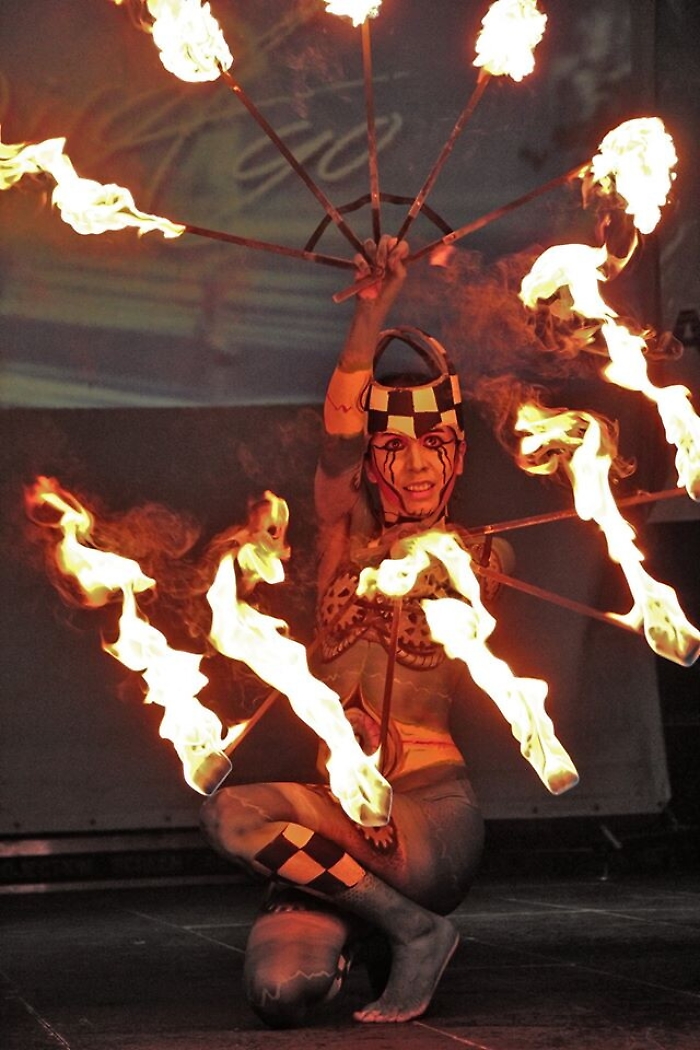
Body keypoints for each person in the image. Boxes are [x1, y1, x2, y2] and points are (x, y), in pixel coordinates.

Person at [199, 235, 507, 1026]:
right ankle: (385, 925)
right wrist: (373, 309)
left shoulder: (479, 554)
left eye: (434, 447)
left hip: (426, 821)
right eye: (392, 448)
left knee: (237, 817)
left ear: (458, 456)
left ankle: (415, 929)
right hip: (339, 830)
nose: (416, 467)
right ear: (371, 463)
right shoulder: (339, 544)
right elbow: (337, 439)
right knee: (281, 990)